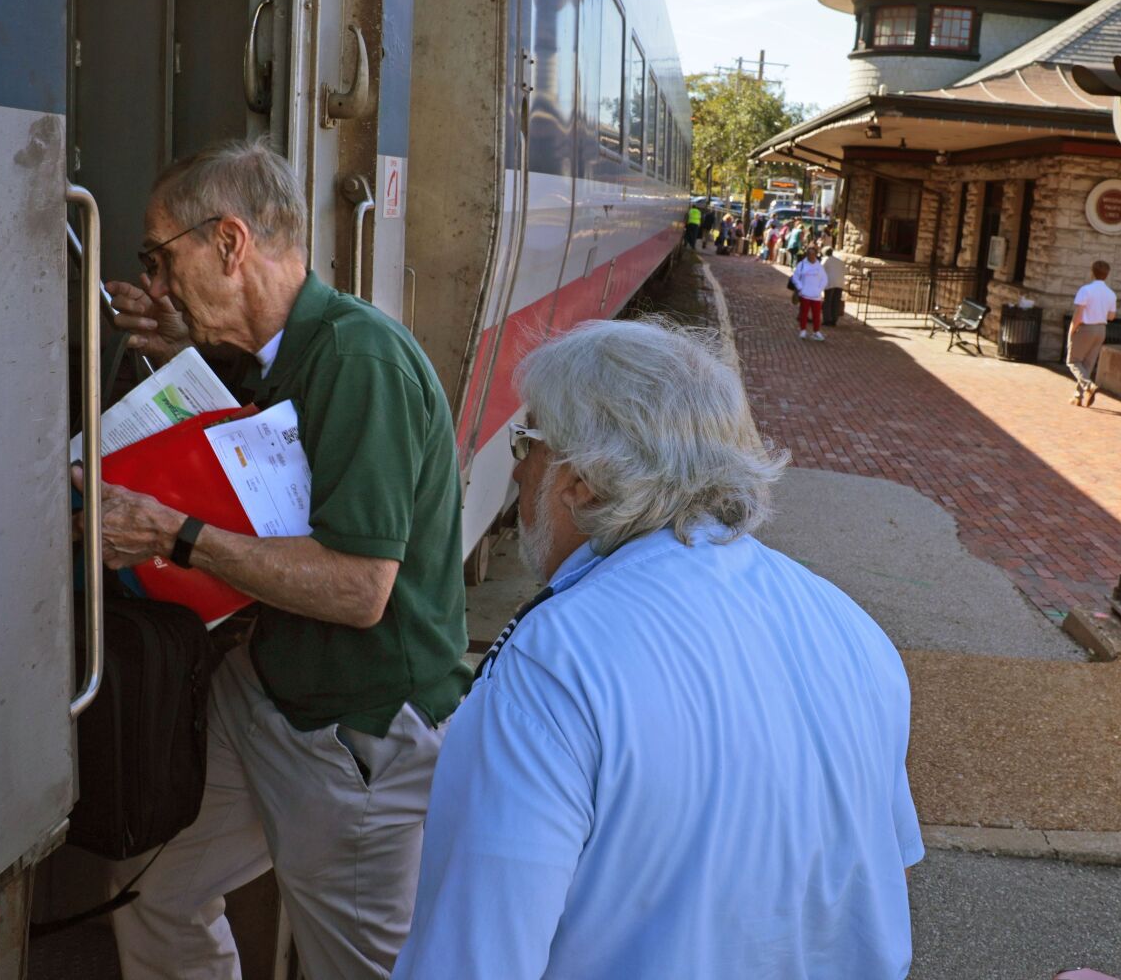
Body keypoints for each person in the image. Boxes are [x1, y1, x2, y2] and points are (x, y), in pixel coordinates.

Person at [392, 319, 922, 979]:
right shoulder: (853, 631)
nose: (519, 467)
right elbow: (881, 875)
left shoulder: (554, 663)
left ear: (581, 479)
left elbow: (474, 959)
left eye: (527, 442)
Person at [94, 140, 470, 980]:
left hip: (351, 731)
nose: (153, 284)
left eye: (161, 258)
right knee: (153, 886)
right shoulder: (279, 353)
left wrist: (173, 532)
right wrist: (176, 358)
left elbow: (357, 587)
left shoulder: (356, 359)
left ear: (229, 244)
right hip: (268, 693)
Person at [1067, 260, 1116, 407]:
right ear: (1107, 275)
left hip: (1086, 328)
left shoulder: (1086, 290)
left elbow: (1078, 314)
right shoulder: (1111, 294)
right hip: (1101, 329)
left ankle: (1088, 386)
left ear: (1092, 272)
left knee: (1073, 361)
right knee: (1088, 364)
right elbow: (1112, 316)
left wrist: (1072, 330)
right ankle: (1078, 396)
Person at [792, 244, 828, 342]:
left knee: (816, 315)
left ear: (816, 255)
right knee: (804, 314)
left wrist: (819, 290)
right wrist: (801, 288)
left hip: (816, 296)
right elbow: (795, 277)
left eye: (813, 254)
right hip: (805, 294)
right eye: (809, 254)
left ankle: (816, 332)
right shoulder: (802, 264)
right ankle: (803, 330)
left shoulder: (819, 266)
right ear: (807, 255)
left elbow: (824, 279)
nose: (811, 256)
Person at [821, 245, 847, 326]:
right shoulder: (839, 261)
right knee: (836, 301)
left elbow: (820, 270)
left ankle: (827, 320)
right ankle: (834, 320)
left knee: (828, 301)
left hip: (830, 283)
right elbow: (845, 271)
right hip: (840, 283)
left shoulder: (826, 259)